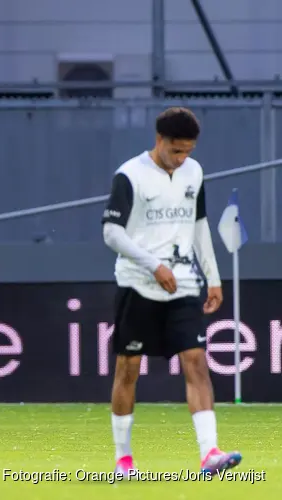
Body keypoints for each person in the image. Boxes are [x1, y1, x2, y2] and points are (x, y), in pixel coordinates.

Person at [101, 107, 241, 475]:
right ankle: (123, 458)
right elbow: (111, 233)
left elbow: (199, 225)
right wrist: (154, 265)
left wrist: (213, 277)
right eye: (176, 151)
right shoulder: (130, 175)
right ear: (159, 140)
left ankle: (210, 453)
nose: (182, 159)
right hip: (138, 283)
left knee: (195, 360)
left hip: (184, 284)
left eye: (188, 151)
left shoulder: (193, 172)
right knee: (128, 369)